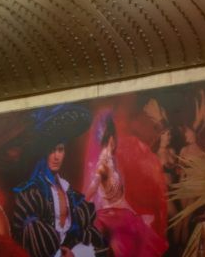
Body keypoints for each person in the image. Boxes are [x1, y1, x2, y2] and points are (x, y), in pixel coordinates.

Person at [10, 106, 109, 257]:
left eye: (60, 149)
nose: (56, 156)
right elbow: (31, 241)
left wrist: (74, 252)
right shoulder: (31, 193)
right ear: (43, 152)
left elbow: (84, 233)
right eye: (51, 150)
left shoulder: (71, 193)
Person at [87, 115, 162, 257]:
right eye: (112, 138)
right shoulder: (102, 166)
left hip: (123, 216)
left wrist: (137, 215)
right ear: (110, 139)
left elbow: (120, 199)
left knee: (143, 232)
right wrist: (82, 208)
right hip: (111, 218)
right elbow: (92, 189)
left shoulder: (112, 164)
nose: (114, 142)